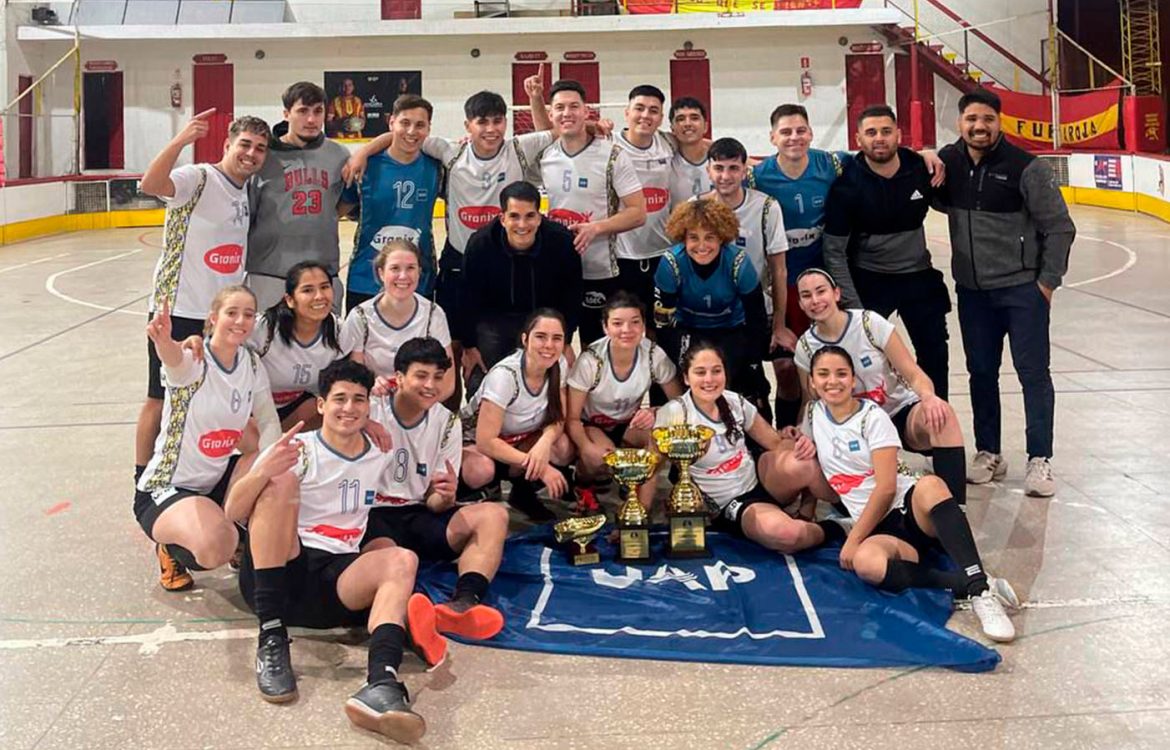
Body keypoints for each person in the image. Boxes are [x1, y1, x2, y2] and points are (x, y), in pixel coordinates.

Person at [226, 359, 443, 743]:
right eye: (339, 399)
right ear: (322, 405)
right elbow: (233, 512)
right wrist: (261, 472)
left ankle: (382, 684)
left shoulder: (379, 450)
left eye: (359, 400)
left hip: (335, 580)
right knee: (280, 484)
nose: (349, 408)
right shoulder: (297, 449)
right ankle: (272, 638)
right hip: (281, 571)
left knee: (402, 559)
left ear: (369, 407)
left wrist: (443, 492)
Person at [343, 78, 553, 404]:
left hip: (504, 261)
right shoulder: (450, 152)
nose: (490, 129)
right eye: (482, 122)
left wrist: (577, 117)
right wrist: (364, 151)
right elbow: (400, 132)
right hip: (459, 262)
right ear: (467, 125)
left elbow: (553, 137)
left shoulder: (517, 150)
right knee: (451, 347)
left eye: (498, 121)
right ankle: (448, 411)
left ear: (506, 123)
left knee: (501, 343)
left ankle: (506, 409)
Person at [802, 345, 1019, 642]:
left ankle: (980, 589)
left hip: (905, 510)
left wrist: (851, 539)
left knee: (930, 485)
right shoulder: (813, 414)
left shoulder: (871, 417)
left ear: (853, 380)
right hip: (880, 530)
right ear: (812, 382)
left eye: (841, 374)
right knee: (866, 564)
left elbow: (886, 488)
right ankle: (962, 583)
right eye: (823, 374)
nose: (833, 381)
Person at [935, 89, 1075, 497]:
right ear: (960, 123)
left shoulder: (1026, 168)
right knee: (981, 373)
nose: (979, 127)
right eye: (971, 120)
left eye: (987, 119)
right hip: (973, 293)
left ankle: (1040, 460)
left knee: (1033, 374)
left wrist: (1047, 282)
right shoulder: (950, 162)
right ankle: (988, 452)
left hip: (1021, 290)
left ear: (999, 122)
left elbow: (1060, 227)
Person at [135, 111, 270, 480]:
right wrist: (180, 141)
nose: (251, 153)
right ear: (227, 145)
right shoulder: (198, 177)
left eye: (259, 148)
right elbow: (150, 183)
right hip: (177, 310)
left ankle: (200, 472)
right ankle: (144, 476)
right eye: (244, 144)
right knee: (161, 397)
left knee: (210, 399)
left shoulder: (246, 191)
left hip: (220, 318)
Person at [135, 286, 280, 592]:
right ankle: (171, 547)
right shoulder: (194, 359)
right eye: (232, 312)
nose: (240, 320)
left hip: (215, 482)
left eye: (248, 314)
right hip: (167, 488)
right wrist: (163, 341)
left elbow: (269, 423)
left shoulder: (251, 364)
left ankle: (237, 530)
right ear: (213, 318)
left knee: (268, 459)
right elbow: (174, 361)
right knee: (218, 545)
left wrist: (272, 469)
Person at [365, 337, 508, 642]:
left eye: (438, 377)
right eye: (421, 375)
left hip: (417, 511)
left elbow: (433, 503)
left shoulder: (446, 422)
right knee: (392, 562)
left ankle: (463, 605)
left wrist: (444, 497)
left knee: (493, 515)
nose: (430, 385)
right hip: (372, 515)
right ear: (399, 376)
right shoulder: (371, 408)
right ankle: (408, 625)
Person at [792, 268, 967, 505]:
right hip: (852, 428)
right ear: (801, 304)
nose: (815, 300)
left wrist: (929, 397)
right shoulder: (806, 347)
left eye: (820, 291)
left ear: (836, 293)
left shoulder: (869, 323)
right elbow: (810, 402)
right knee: (804, 453)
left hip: (896, 413)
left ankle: (955, 509)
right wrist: (804, 434)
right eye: (806, 295)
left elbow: (914, 374)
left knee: (943, 417)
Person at [653, 341, 843, 551]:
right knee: (788, 535)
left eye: (716, 371)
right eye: (700, 372)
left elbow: (775, 443)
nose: (709, 379)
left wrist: (793, 440)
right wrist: (637, 517)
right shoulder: (674, 414)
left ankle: (856, 507)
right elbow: (651, 468)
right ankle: (840, 528)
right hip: (733, 503)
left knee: (803, 458)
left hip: (760, 479)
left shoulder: (734, 401)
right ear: (687, 378)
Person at [822, 105, 951, 400]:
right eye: (871, 132)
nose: (879, 138)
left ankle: (938, 427)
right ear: (858, 139)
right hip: (869, 280)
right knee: (863, 358)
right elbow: (834, 252)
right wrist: (854, 307)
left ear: (898, 134)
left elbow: (950, 199)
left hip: (918, 277)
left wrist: (929, 152)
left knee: (935, 352)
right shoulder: (847, 186)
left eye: (885, 131)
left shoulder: (921, 168)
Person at [537, 79, 646, 346]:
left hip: (599, 270)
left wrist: (596, 228)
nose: (567, 113)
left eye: (574, 106)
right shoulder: (543, 155)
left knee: (595, 348)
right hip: (556, 267)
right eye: (560, 107)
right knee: (553, 346)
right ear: (551, 114)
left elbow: (638, 212)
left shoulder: (612, 155)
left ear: (587, 112)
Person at [699, 137, 793, 425]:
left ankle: (786, 435)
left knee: (784, 370)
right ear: (708, 170)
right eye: (719, 168)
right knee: (718, 378)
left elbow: (779, 270)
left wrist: (778, 324)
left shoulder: (766, 208)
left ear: (744, 171)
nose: (725, 176)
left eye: (733, 168)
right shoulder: (696, 207)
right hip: (711, 313)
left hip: (754, 311)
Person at [461, 181, 583, 396]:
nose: (522, 224)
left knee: (556, 381)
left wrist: (565, 339)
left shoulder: (561, 241)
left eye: (529, 216)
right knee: (479, 379)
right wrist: (470, 346)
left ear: (540, 216)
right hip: (494, 320)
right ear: (502, 218)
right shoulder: (480, 244)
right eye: (514, 216)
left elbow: (572, 293)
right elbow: (467, 296)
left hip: (543, 317)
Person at [566, 292, 683, 513]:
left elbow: (679, 402)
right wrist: (585, 447)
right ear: (605, 327)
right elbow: (572, 418)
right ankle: (583, 485)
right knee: (597, 457)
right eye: (618, 323)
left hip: (629, 424)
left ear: (643, 325)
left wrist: (657, 411)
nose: (627, 330)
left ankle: (641, 509)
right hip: (594, 424)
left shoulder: (652, 354)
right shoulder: (591, 360)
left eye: (635, 323)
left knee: (659, 437)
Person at [653, 199, 770, 417]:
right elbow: (663, 324)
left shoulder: (738, 262)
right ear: (683, 238)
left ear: (722, 238)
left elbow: (757, 318)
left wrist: (753, 360)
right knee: (672, 378)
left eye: (710, 237)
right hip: (687, 330)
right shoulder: (671, 264)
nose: (702, 246)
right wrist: (675, 363)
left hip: (731, 329)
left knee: (751, 383)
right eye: (693, 238)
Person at [461, 309, 575, 521]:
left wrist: (544, 444)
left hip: (517, 440)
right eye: (540, 337)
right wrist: (541, 468)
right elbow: (486, 441)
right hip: (476, 442)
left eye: (556, 338)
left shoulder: (558, 364)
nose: (549, 345)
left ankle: (522, 493)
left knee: (563, 447)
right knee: (480, 470)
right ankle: (469, 497)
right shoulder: (505, 376)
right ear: (525, 339)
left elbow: (559, 418)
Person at [246, 82, 350, 312]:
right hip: (269, 274)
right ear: (286, 114)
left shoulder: (339, 155)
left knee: (323, 346)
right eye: (303, 111)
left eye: (318, 111)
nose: (311, 120)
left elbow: (345, 204)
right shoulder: (263, 157)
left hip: (322, 274)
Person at [340, 94, 442, 311]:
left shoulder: (438, 169)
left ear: (429, 128)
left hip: (417, 279)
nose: (412, 131)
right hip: (365, 278)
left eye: (420, 125)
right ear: (391, 122)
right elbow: (336, 213)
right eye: (405, 123)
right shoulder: (364, 167)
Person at [342, 240, 455, 402]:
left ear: (419, 272)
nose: (403, 276)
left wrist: (417, 405)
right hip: (374, 405)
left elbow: (448, 383)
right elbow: (353, 377)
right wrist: (370, 385)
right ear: (381, 273)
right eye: (395, 268)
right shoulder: (360, 317)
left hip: (420, 404)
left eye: (410, 268)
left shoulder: (433, 314)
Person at [251, 261, 356, 431]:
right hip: (254, 409)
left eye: (325, 287)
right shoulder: (263, 328)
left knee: (334, 407)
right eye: (308, 290)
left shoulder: (340, 331)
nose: (319, 296)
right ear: (290, 300)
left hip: (297, 409)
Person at [611, 85, 677, 314]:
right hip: (621, 255)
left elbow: (702, 145)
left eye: (653, 110)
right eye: (639, 108)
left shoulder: (668, 143)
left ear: (660, 118)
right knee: (622, 321)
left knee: (659, 324)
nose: (646, 115)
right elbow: (555, 135)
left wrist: (751, 164)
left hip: (662, 251)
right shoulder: (607, 143)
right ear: (626, 112)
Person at [668, 97, 714, 206]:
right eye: (680, 119)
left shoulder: (720, 160)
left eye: (694, 118)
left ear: (705, 126)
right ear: (672, 129)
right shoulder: (666, 161)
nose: (687, 123)